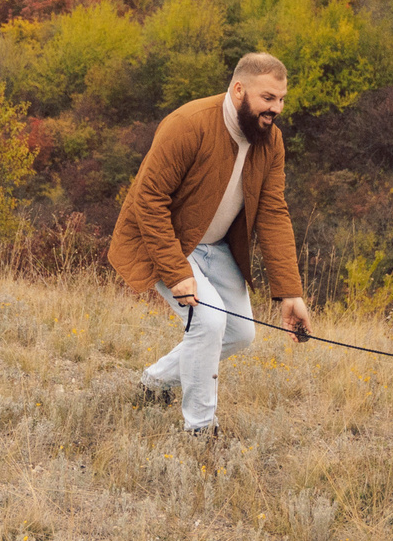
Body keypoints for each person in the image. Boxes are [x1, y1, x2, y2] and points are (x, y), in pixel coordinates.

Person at [107, 52, 313, 436]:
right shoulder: (188, 124)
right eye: (268, 98)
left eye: (282, 100)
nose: (277, 109)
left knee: (240, 332)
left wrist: (290, 292)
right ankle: (200, 429)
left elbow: (273, 214)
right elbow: (147, 200)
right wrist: (176, 270)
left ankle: (154, 382)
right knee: (209, 319)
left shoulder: (271, 142)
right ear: (239, 90)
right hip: (169, 242)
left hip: (215, 247)